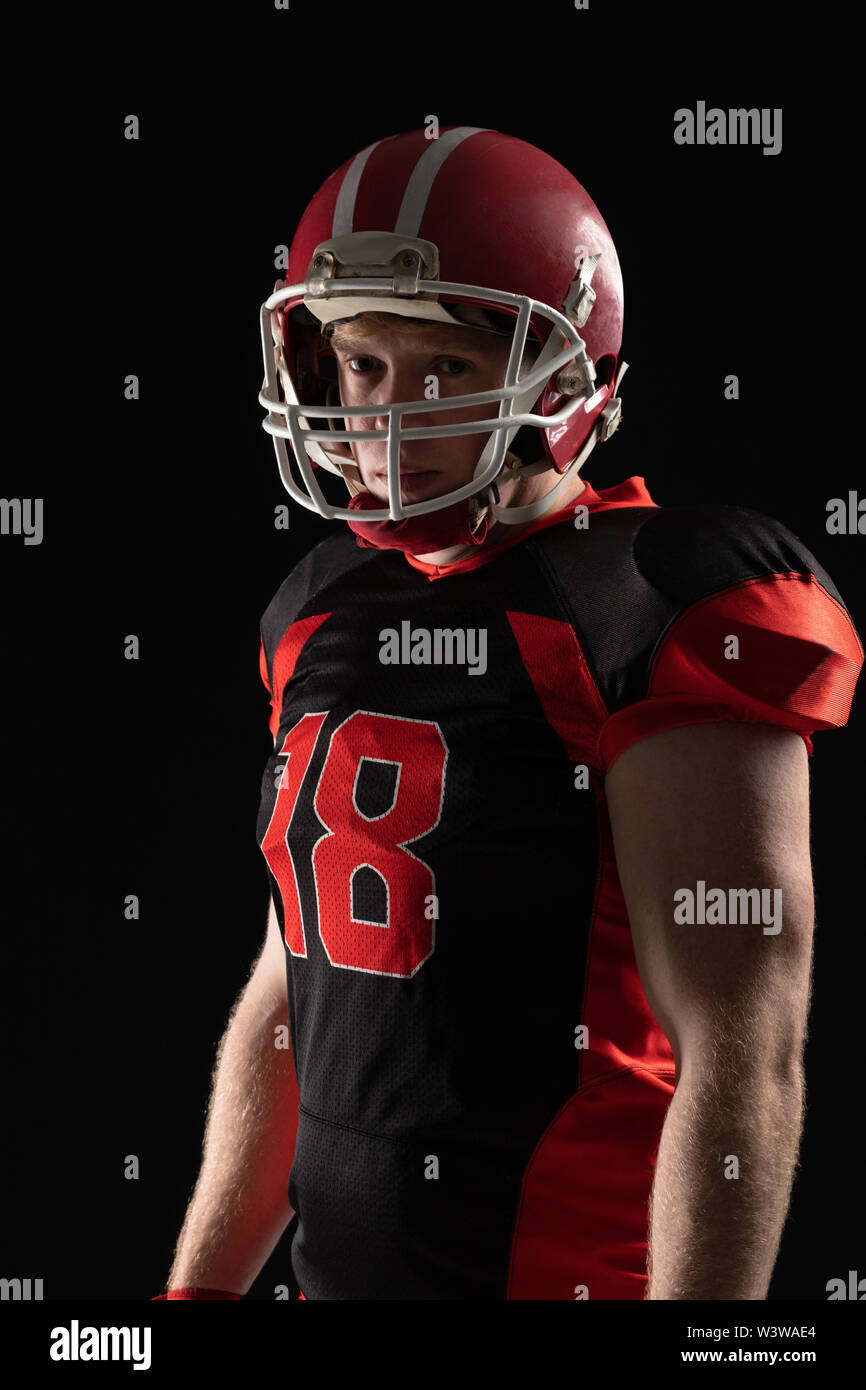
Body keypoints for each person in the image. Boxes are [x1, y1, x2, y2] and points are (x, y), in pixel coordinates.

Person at [155, 126, 863, 1301]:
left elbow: (741, 1051)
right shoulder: (321, 606)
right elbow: (295, 993)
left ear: (563, 379)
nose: (382, 417)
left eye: (439, 371)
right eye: (360, 366)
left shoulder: (648, 602)